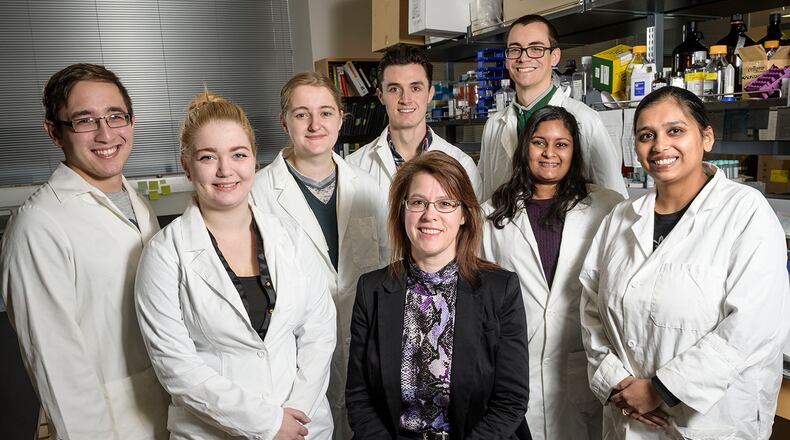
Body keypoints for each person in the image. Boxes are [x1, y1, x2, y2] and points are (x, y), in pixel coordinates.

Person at [580, 86, 790, 439]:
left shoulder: (745, 211)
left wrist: (660, 390)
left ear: (706, 137)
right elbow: (590, 305)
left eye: (675, 131)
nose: (660, 146)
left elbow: (754, 327)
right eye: (647, 135)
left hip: (707, 421)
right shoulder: (621, 217)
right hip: (628, 414)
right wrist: (615, 380)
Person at [135, 91, 336, 439]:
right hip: (216, 431)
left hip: (302, 427)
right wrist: (268, 424)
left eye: (238, 155)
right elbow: (176, 368)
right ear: (187, 165)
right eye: (208, 157)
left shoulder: (290, 236)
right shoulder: (165, 254)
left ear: (254, 160)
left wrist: (293, 418)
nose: (225, 170)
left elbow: (319, 331)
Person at [0, 63, 169, 439]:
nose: (105, 133)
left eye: (115, 116)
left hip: (166, 411)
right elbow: (58, 369)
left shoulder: (137, 204)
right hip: (106, 423)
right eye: (85, 121)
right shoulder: (38, 226)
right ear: (55, 133)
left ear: (132, 121)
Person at [346, 151, 532, 439]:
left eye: (445, 203)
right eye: (418, 202)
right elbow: (359, 399)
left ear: (464, 216)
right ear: (402, 211)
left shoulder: (500, 290)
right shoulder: (371, 290)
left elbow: (510, 401)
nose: (429, 214)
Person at [251, 72, 388, 439]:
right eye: (301, 114)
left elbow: (390, 268)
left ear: (341, 119)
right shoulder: (257, 194)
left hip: (363, 344)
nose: (315, 125)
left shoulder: (369, 188)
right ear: (284, 122)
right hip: (293, 359)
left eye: (326, 113)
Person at [481, 106, 623, 440]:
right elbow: (481, 297)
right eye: (539, 142)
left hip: (582, 367)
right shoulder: (492, 213)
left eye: (561, 144)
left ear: (574, 151)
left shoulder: (607, 207)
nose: (549, 153)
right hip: (514, 370)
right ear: (524, 148)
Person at [478, 15, 627, 201]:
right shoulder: (494, 125)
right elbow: (484, 196)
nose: (523, 58)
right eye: (515, 50)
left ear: (554, 56)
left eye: (536, 49)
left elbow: (614, 199)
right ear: (507, 59)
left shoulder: (585, 119)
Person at [346, 44, 483, 199]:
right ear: (380, 96)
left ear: (430, 93)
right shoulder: (353, 167)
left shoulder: (462, 165)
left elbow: (473, 223)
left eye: (415, 88)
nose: (406, 99)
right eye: (394, 89)